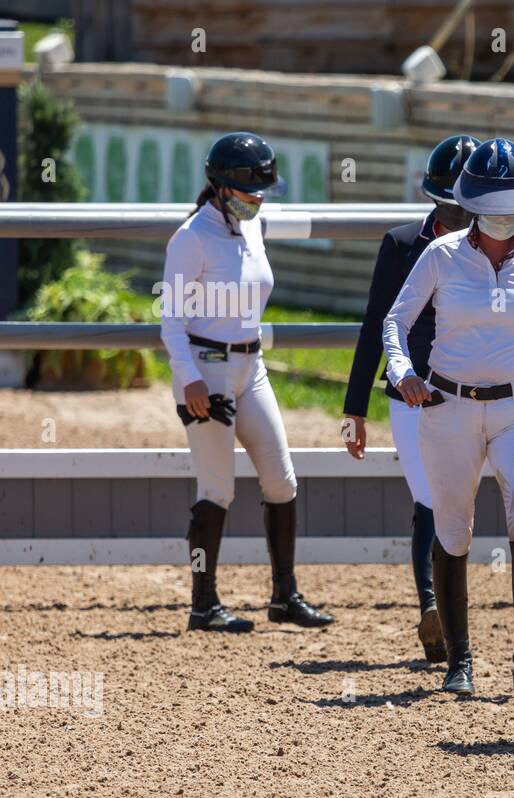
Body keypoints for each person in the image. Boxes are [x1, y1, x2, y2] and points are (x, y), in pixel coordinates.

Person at [382, 138, 514, 697]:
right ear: (470, 201)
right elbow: (395, 322)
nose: (502, 214)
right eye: (492, 201)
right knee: (454, 528)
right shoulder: (440, 257)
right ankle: (459, 661)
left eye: (511, 200)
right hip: (448, 407)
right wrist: (403, 373)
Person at [162, 131, 333, 633]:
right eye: (249, 194)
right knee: (217, 487)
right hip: (205, 368)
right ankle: (203, 602)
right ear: (220, 187)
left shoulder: (252, 227)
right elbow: (170, 319)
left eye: (262, 194)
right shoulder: (191, 237)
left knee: (281, 480)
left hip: (251, 368)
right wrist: (190, 380)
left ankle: (284, 596)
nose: (258, 202)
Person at [343, 134, 480, 663]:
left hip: (473, 395)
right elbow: (374, 326)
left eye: (464, 209)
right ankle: (434, 609)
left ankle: (443, 612)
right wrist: (355, 408)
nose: (456, 219)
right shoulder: (402, 245)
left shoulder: (493, 248)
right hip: (410, 395)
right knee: (430, 498)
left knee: (453, 504)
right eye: (447, 207)